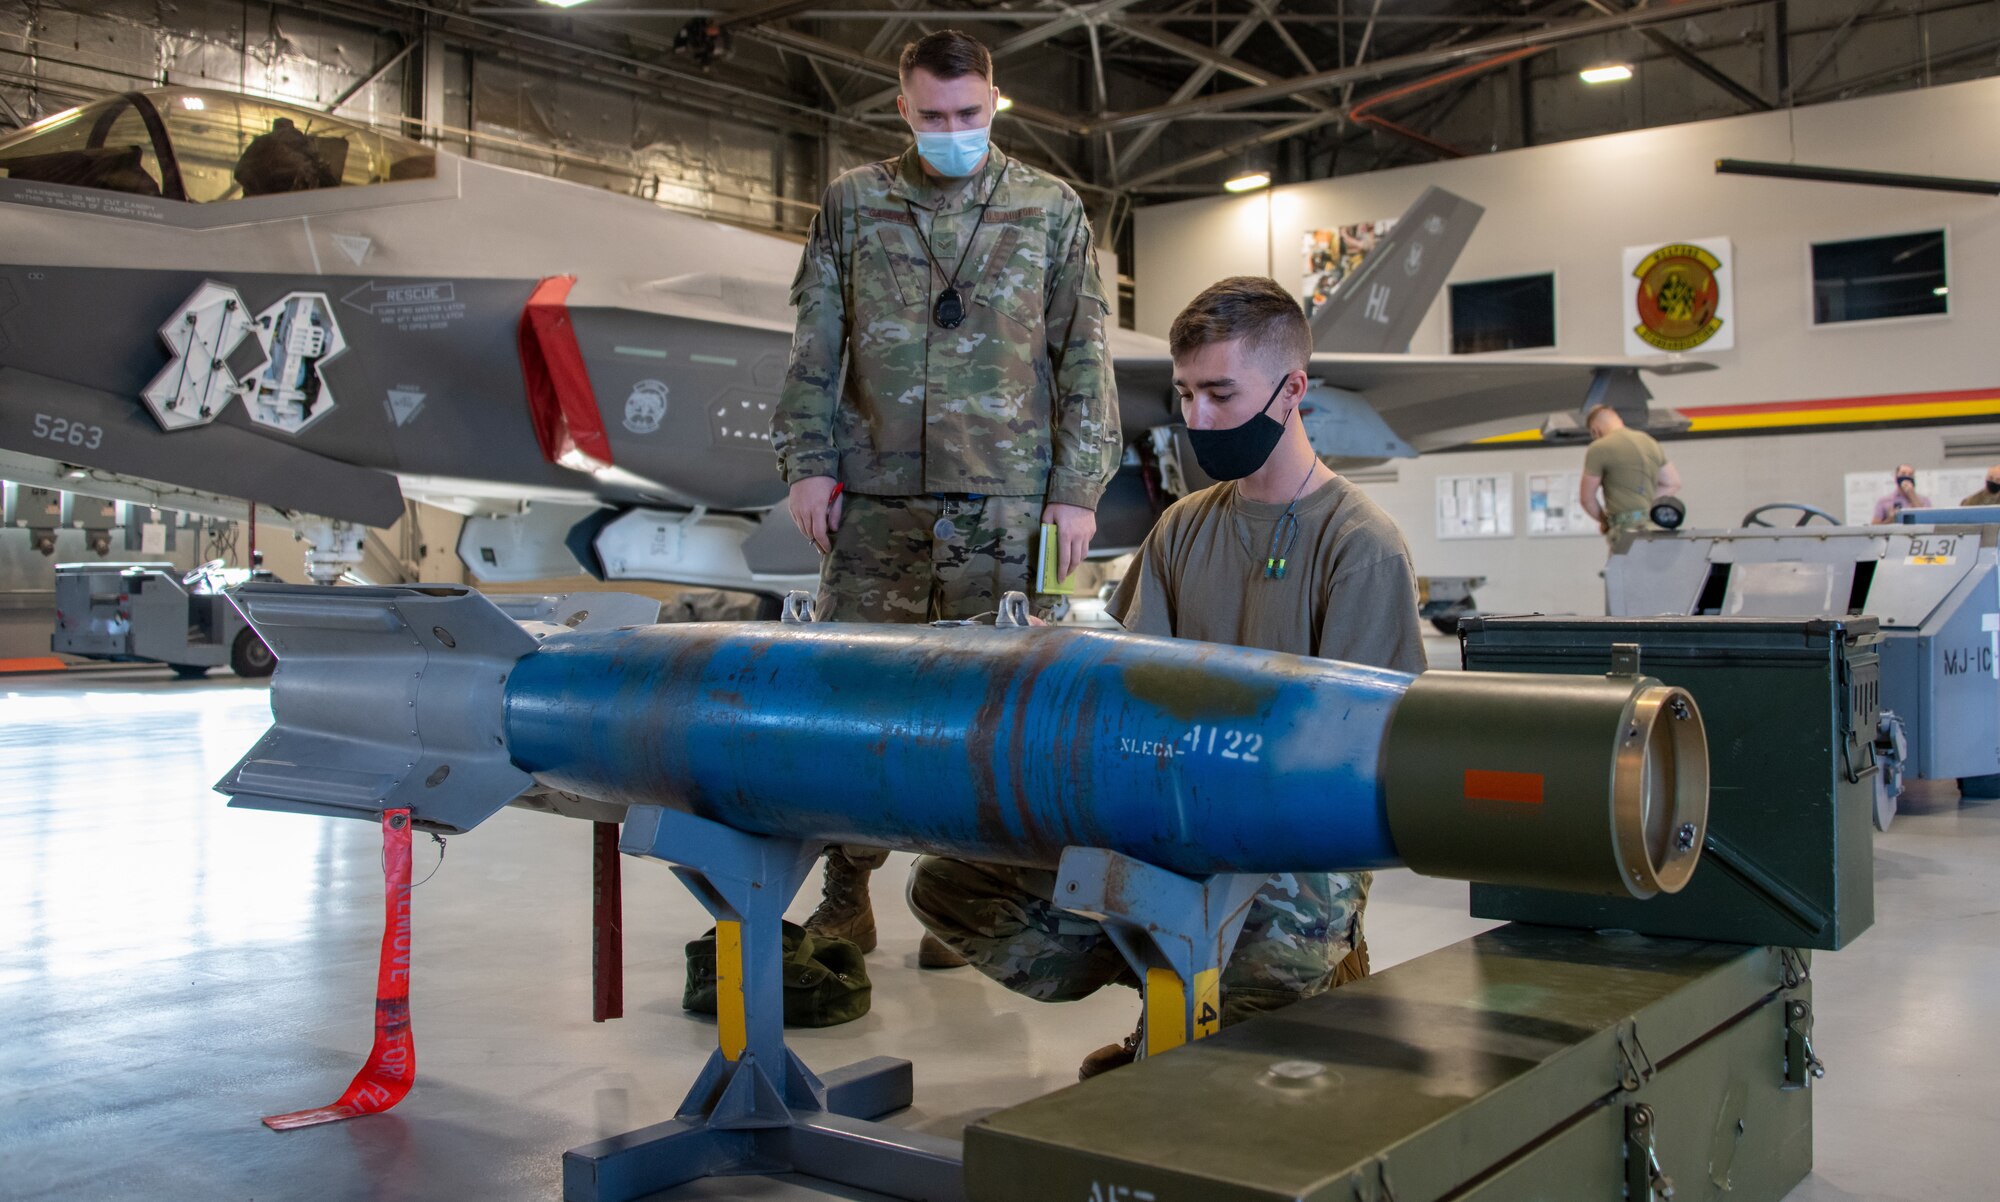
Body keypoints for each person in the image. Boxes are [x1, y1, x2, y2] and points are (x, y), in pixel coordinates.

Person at [908, 276, 1425, 1079]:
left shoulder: (1362, 544)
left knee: (1269, 968)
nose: (1199, 419)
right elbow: (1137, 677)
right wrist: (1064, 653)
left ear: (1294, 391)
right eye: (1186, 394)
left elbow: (1362, 761)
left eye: (1221, 393)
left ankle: (1284, 983)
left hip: (1291, 841)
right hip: (1174, 817)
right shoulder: (1184, 526)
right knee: (950, 888)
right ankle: (1173, 998)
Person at [771, 30, 1119, 966]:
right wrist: (808, 461)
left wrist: (1076, 490)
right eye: (933, 116)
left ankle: (972, 896)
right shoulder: (853, 203)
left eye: (969, 114)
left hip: (1008, 502)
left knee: (993, 712)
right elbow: (815, 344)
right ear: (902, 107)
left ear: (995, 101)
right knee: (855, 702)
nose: (952, 130)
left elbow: (1083, 353)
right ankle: (849, 894)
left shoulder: (1051, 208)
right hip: (876, 497)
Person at [1579, 405, 1680, 543]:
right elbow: (1672, 483)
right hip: (1653, 530)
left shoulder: (1599, 447)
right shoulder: (1650, 441)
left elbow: (1587, 499)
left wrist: (1605, 521)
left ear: (1595, 431)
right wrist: (1645, 507)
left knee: (1617, 565)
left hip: (1624, 533)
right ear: (1619, 421)